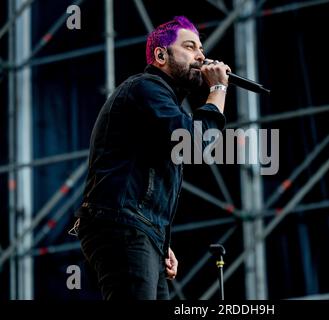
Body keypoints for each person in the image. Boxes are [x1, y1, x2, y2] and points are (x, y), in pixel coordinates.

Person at [71, 16, 230, 300]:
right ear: (160, 54)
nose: (201, 56)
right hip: (123, 225)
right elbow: (194, 143)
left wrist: (160, 239)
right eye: (191, 47)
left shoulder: (164, 101)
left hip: (139, 229)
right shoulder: (145, 88)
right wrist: (218, 90)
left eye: (201, 49)